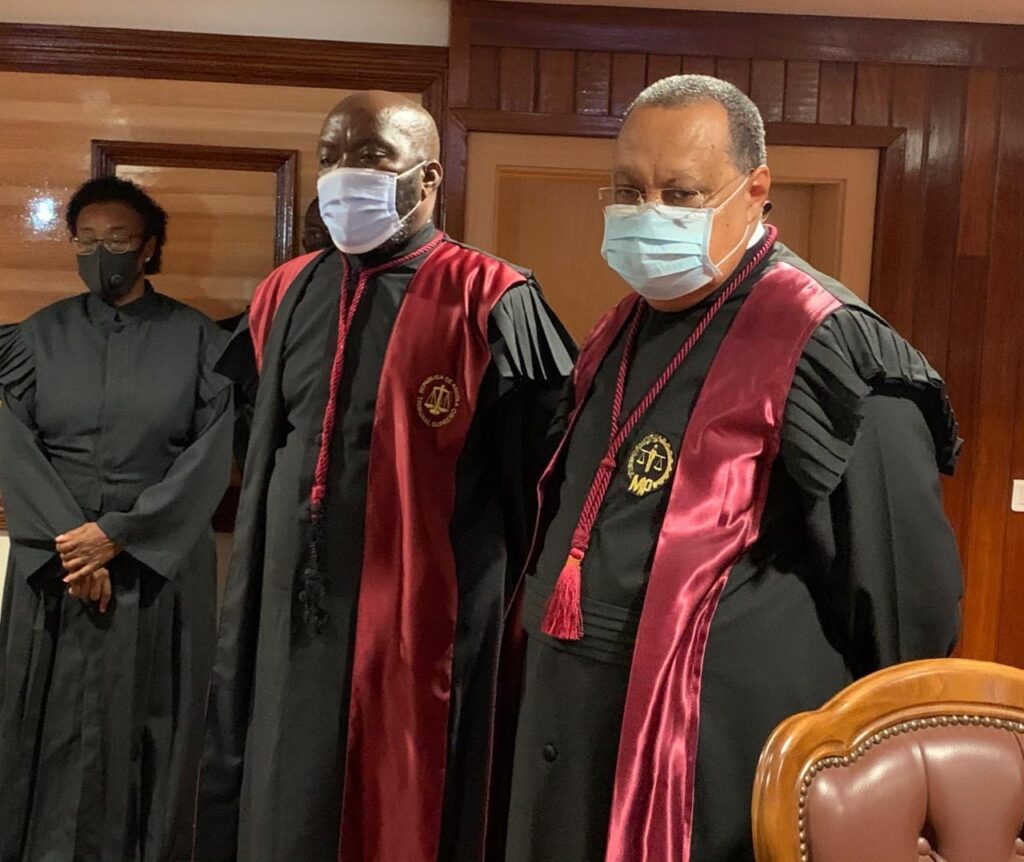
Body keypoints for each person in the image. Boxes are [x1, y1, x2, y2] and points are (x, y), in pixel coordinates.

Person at [505, 75, 963, 862]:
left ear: (755, 191)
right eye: (628, 190)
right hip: (571, 744)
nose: (649, 213)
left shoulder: (827, 346)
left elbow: (903, 605)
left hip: (715, 768)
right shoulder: (621, 328)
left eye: (680, 193)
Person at [195, 91, 575, 862]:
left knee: (406, 804)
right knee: (285, 794)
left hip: (424, 614)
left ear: (427, 176)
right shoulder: (284, 292)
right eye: (330, 157)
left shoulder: (491, 297)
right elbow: (258, 438)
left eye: (369, 156)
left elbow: (537, 482)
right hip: (291, 608)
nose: (343, 175)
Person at [0, 176, 233, 861]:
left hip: (156, 562)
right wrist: (76, 546)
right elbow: (12, 445)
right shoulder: (34, 339)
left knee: (154, 721)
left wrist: (118, 535)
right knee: (42, 722)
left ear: (149, 246)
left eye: (119, 239)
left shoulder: (200, 341)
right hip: (53, 561)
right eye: (87, 240)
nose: (101, 252)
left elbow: (212, 454)